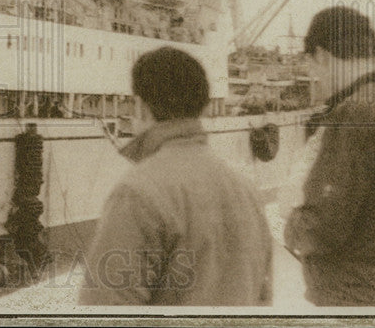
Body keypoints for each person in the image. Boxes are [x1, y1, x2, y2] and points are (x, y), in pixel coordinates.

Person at [80, 47, 272, 306]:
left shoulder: (138, 192)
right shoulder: (246, 191)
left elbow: (105, 310)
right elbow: (263, 301)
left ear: (141, 107)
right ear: (201, 106)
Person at [284, 7, 375, 306]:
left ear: (322, 55)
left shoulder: (356, 112)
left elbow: (324, 227)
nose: (314, 79)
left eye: (310, 65)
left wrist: (290, 222)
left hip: (357, 293)